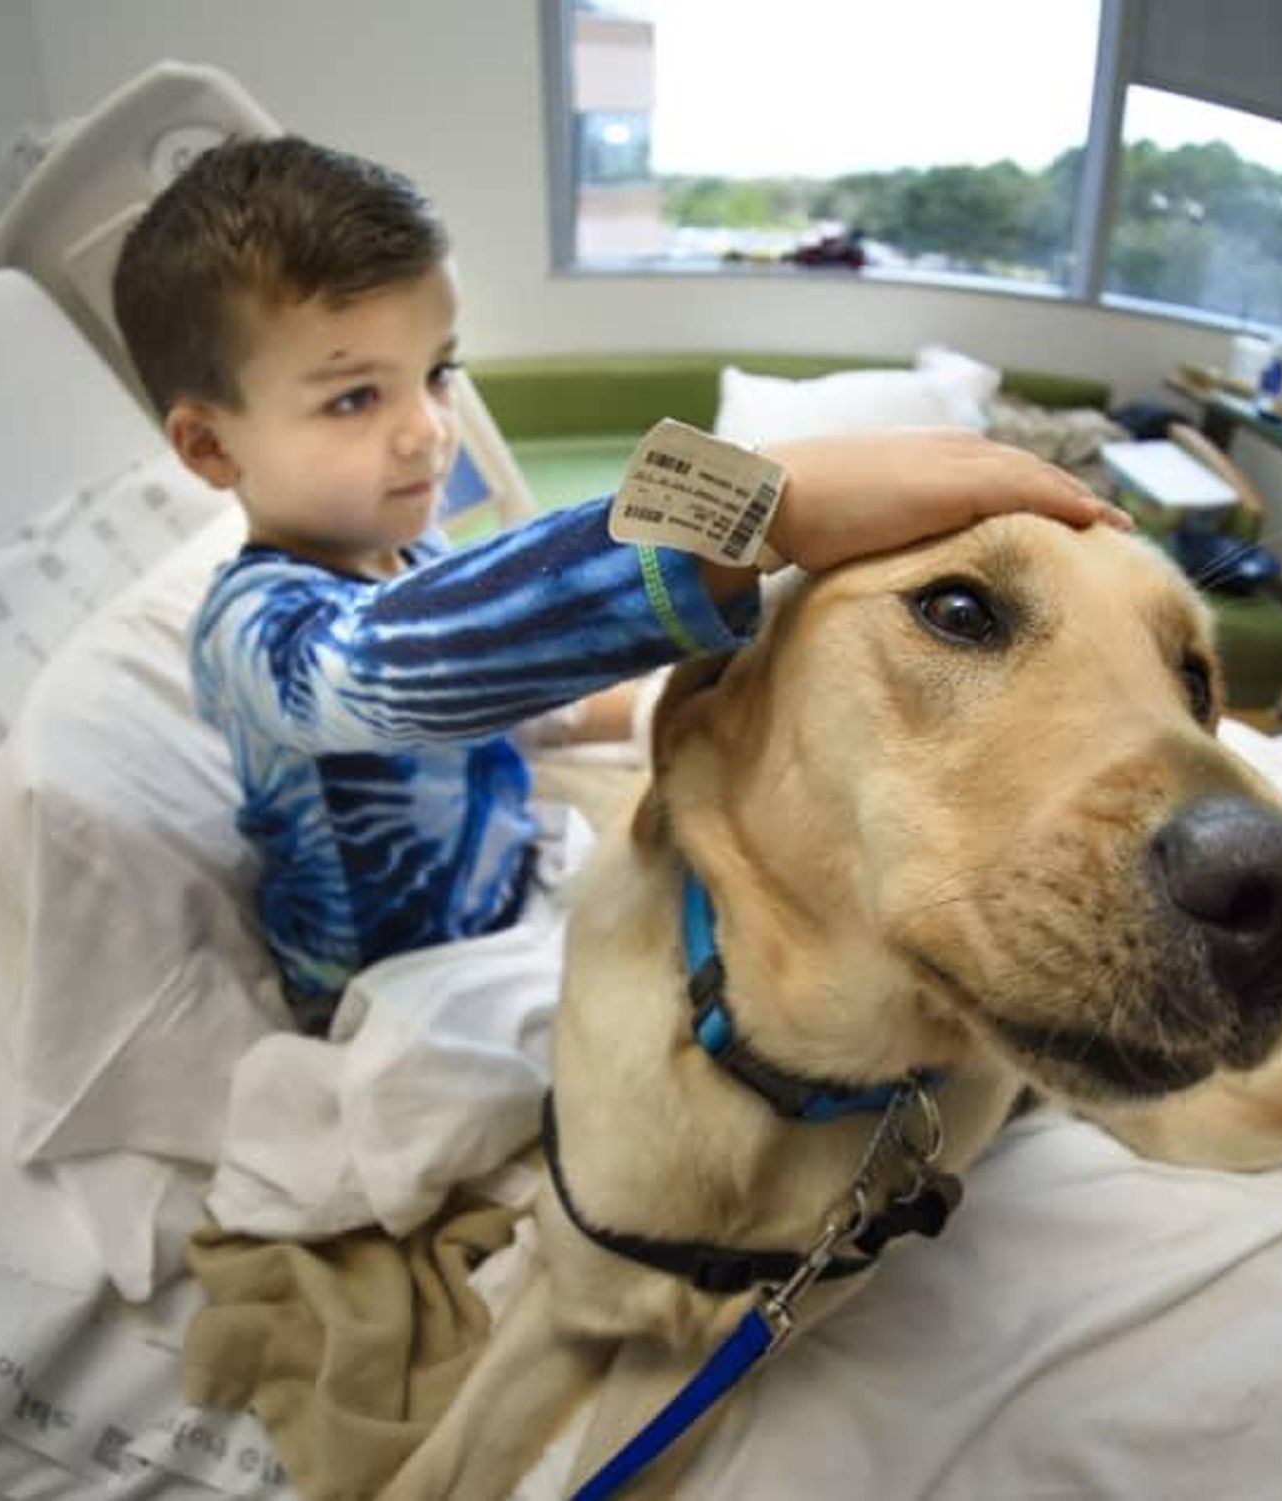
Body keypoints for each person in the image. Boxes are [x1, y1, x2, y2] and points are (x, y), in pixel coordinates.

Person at [112, 134, 1126, 1031]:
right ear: (208, 445)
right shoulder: (257, 629)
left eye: (436, 372)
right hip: (394, 992)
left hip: (513, 891)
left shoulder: (405, 562)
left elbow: (508, 712)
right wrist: (771, 503)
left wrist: (682, 700)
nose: (424, 427)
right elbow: (392, 671)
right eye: (351, 397)